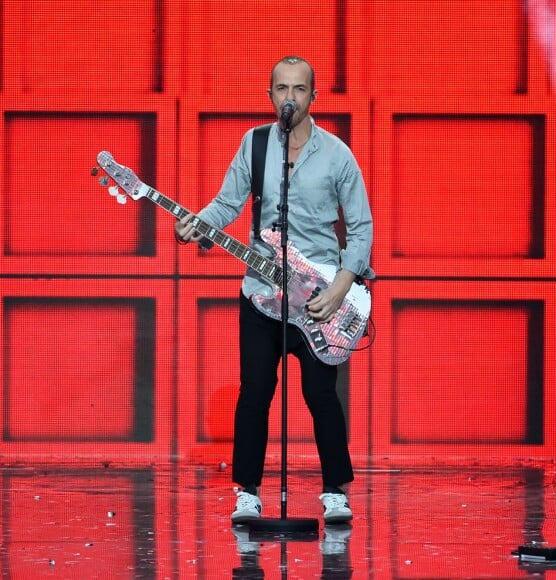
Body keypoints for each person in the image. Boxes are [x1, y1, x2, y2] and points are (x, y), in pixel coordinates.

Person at [175, 55, 374, 525]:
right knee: (256, 391)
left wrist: (342, 286)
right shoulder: (255, 145)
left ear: (313, 97)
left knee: (321, 395)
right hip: (261, 293)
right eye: (281, 89)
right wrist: (197, 225)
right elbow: (227, 204)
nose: (290, 98)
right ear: (270, 97)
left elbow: (361, 228)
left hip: (320, 298)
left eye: (299, 89)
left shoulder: (337, 154)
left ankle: (335, 492)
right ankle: (248, 492)